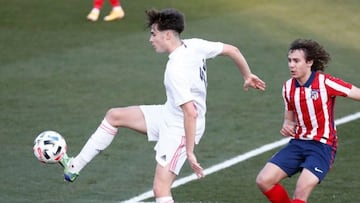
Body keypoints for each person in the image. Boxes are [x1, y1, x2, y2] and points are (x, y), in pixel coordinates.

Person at [60, 8, 266, 203]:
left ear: (167, 35)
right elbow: (233, 49)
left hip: (182, 129)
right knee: (115, 115)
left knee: (161, 188)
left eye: (153, 34)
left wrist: (190, 151)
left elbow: (191, 113)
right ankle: (75, 165)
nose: (151, 39)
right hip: (169, 114)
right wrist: (247, 75)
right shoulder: (195, 45)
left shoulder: (175, 70)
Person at [256, 38, 360, 203]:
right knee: (264, 180)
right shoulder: (288, 87)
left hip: (322, 146)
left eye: (296, 61)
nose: (291, 65)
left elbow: (357, 93)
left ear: (309, 62)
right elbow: (289, 114)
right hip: (298, 144)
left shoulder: (325, 82)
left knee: (301, 190)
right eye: (289, 61)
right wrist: (287, 124)